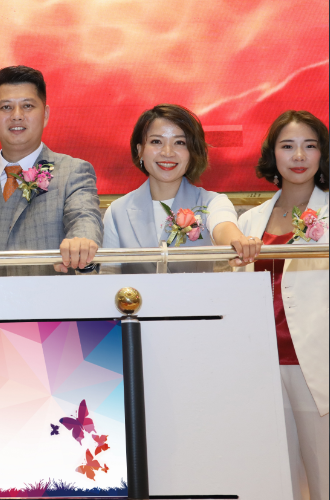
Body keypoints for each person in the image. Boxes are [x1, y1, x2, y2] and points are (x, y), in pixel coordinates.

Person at [237, 110, 328, 500]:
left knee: (324, 479)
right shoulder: (249, 220)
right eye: (288, 146)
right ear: (272, 154)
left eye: (310, 146)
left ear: (323, 154)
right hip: (261, 365)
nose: (299, 156)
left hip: (316, 366)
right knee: (275, 482)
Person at [0, 65, 101, 277]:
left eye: (27, 106)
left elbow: (84, 218)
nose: (17, 116)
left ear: (45, 115)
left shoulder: (73, 172)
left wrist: (83, 242)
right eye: (6, 107)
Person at [102, 104, 261, 273]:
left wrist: (238, 243)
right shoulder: (117, 211)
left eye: (179, 142)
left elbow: (223, 227)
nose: (167, 152)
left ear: (192, 152)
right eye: (156, 141)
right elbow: (109, 275)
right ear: (140, 150)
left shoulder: (213, 202)